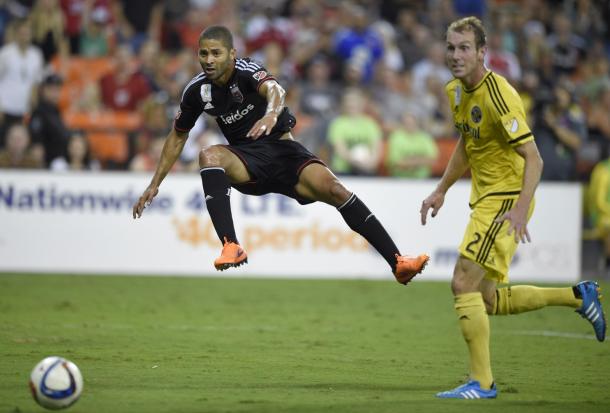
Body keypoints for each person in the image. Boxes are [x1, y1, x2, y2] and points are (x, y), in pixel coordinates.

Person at [132, 25, 429, 284]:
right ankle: (231, 245)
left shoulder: (247, 71)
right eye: (203, 54)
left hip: (286, 153)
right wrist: (155, 183)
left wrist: (271, 115)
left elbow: (276, 90)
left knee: (337, 190)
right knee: (209, 155)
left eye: (216, 53)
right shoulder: (196, 91)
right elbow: (178, 136)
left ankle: (398, 262)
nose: (209, 60)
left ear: (232, 54)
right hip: (247, 159)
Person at [419, 17, 606, 400]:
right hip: (487, 197)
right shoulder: (455, 92)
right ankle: (578, 296)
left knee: (462, 282)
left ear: (482, 52)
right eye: (451, 47)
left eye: (465, 48)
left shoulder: (500, 94)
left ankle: (482, 384)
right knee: (487, 298)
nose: (456, 55)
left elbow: (533, 158)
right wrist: (441, 189)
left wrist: (519, 210)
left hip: (506, 198)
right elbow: (467, 144)